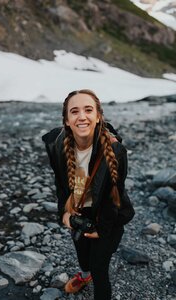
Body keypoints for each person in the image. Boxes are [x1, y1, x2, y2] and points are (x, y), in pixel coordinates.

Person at [42, 89, 135, 300]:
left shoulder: (115, 150)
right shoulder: (57, 145)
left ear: (98, 116)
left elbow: (114, 196)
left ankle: (94, 276)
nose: (81, 116)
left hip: (107, 217)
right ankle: (84, 276)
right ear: (66, 120)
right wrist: (63, 213)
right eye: (74, 111)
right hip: (79, 212)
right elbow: (61, 184)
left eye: (88, 110)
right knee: (81, 251)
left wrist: (102, 229)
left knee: (99, 269)